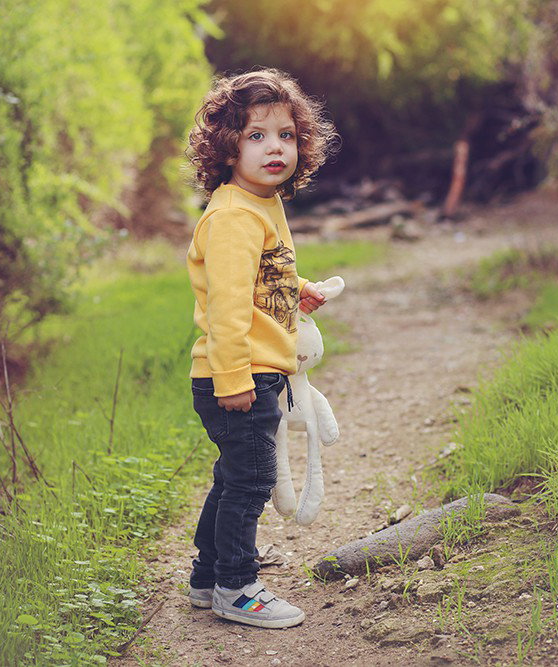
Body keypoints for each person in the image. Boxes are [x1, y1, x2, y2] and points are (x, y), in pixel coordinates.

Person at [184, 68, 338, 629]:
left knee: (232, 476)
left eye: (287, 135)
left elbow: (259, 276)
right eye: (256, 136)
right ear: (227, 148)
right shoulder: (232, 218)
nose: (275, 147)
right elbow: (226, 308)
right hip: (238, 376)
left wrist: (297, 290)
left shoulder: (260, 205)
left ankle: (207, 578)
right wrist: (233, 380)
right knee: (251, 481)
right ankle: (237, 586)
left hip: (253, 372)